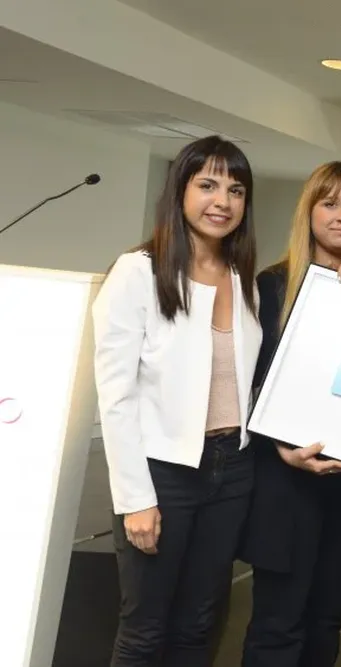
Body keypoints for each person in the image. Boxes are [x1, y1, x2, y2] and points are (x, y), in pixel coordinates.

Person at [92, 135, 261, 667]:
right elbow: (115, 395)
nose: (222, 201)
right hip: (163, 473)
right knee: (144, 631)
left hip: (232, 470)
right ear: (180, 191)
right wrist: (134, 499)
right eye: (207, 185)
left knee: (200, 625)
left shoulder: (244, 279)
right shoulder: (138, 271)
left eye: (235, 190)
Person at [240, 161, 341, 667]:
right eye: (330, 203)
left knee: (327, 619)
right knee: (276, 622)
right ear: (308, 210)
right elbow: (248, 385)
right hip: (284, 482)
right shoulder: (269, 286)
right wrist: (283, 448)